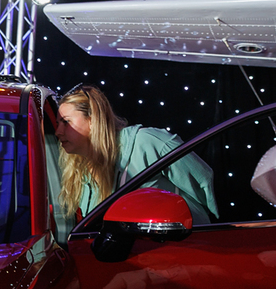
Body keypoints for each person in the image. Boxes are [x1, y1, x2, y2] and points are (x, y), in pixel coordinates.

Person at [55, 84, 217, 226]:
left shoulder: (147, 142)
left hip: (184, 245)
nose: (58, 132)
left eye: (66, 122)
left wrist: (215, 232)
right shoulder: (80, 168)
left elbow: (204, 180)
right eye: (57, 123)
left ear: (93, 120)